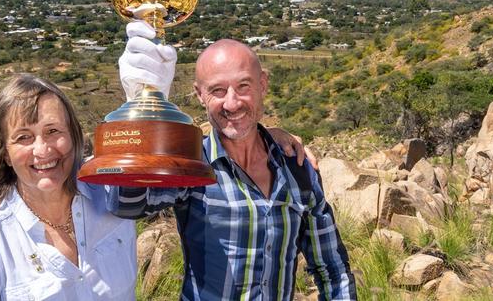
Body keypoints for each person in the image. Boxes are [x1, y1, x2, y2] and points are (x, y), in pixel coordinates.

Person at [108, 21, 356, 300]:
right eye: (217, 90)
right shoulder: (192, 164)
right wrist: (140, 110)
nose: (232, 103)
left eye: (243, 86)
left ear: (263, 84)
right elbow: (127, 203)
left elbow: (332, 269)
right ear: (200, 95)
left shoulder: (296, 167)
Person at [0, 74, 137, 300]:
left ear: (74, 136)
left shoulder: (110, 191)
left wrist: (143, 92)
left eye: (53, 131)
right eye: (23, 137)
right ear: (6, 154)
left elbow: (159, 159)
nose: (42, 150)